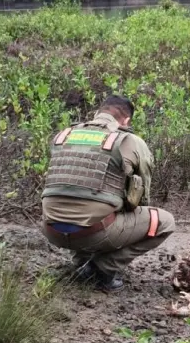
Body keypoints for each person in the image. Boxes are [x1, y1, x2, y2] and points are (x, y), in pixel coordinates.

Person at [40, 95, 175, 292]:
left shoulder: (63, 135)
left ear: (97, 113)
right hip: (93, 232)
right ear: (126, 120)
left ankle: (81, 262)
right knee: (164, 222)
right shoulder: (128, 140)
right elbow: (142, 196)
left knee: (84, 199)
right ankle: (103, 267)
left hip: (51, 230)